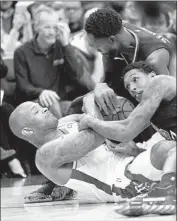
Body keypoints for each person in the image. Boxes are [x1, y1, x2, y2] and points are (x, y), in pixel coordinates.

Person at [9, 100, 175, 213]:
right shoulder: (45, 157)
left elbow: (90, 109)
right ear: (27, 131)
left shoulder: (65, 121)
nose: (44, 108)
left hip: (134, 158)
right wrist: (93, 106)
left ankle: (165, 193)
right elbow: (94, 136)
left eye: (40, 106)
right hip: (124, 182)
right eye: (36, 111)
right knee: (166, 149)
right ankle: (166, 196)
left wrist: (92, 98)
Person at [78, 61, 176, 203]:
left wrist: (91, 121)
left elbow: (126, 130)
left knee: (169, 149)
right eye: (128, 87)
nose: (133, 88)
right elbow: (125, 128)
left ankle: (168, 194)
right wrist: (134, 150)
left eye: (135, 79)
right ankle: (165, 195)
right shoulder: (154, 112)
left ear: (152, 75)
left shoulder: (160, 83)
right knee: (164, 148)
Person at [84, 7, 174, 116]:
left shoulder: (154, 59)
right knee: (87, 101)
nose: (98, 51)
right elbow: (108, 79)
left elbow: (167, 104)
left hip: (166, 106)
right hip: (139, 92)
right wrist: (100, 85)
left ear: (112, 40)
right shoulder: (117, 30)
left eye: (98, 47)